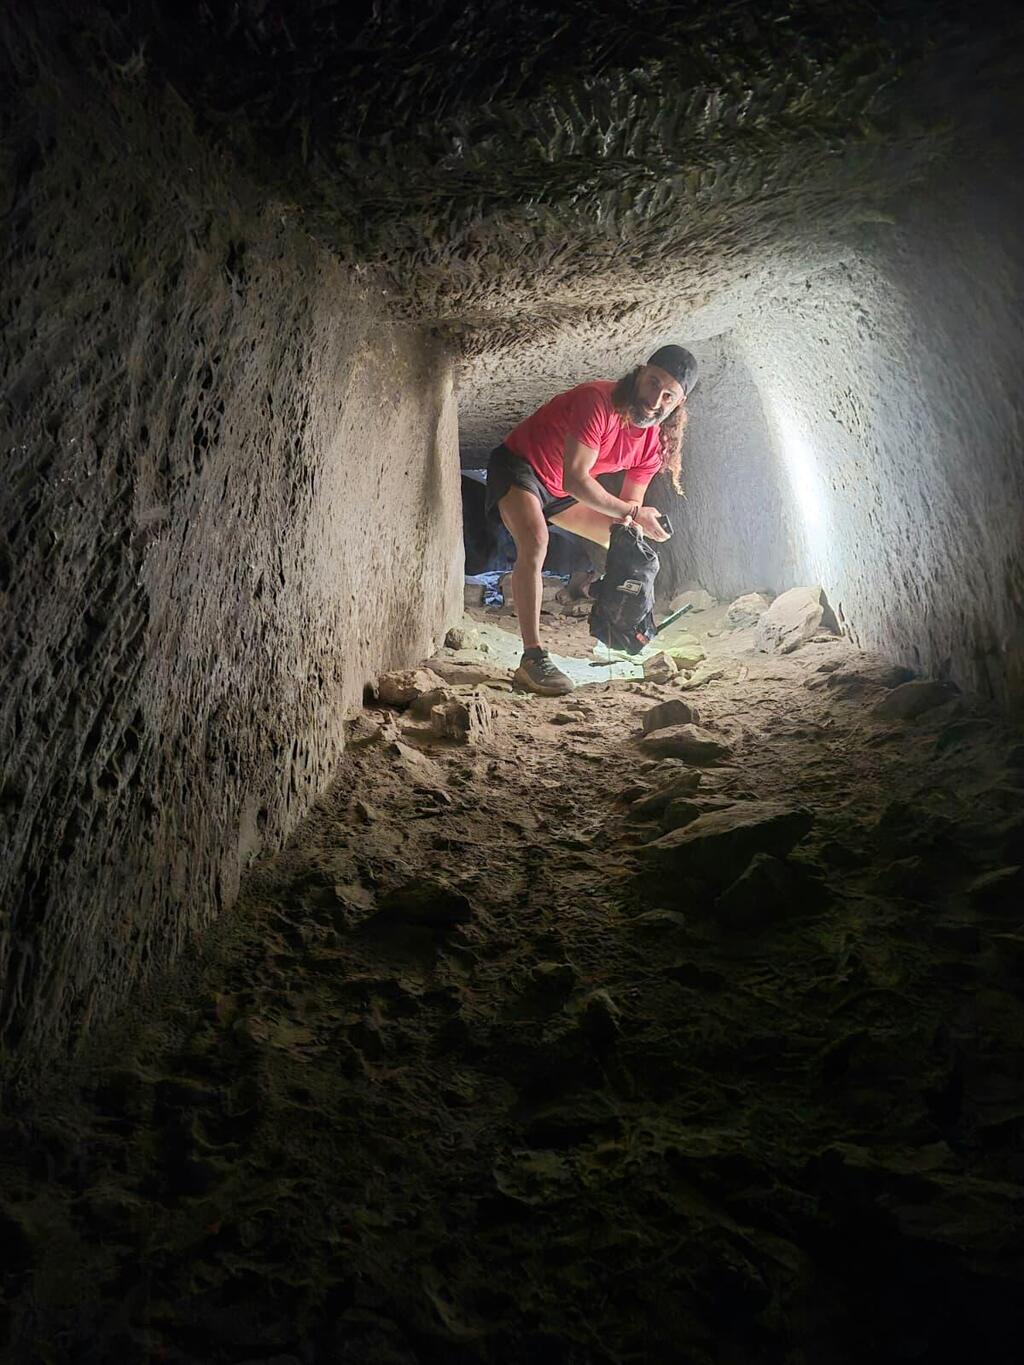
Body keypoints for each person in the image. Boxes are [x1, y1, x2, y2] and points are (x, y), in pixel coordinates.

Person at [485, 344, 699, 695]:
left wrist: (633, 539)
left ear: (678, 404)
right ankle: (533, 657)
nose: (654, 399)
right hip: (520, 466)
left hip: (559, 491)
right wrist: (633, 514)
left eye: (668, 395)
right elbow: (576, 479)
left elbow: (630, 510)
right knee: (536, 540)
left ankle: (611, 612)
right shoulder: (597, 401)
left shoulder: (652, 444)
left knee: (627, 549)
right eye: (652, 383)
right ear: (640, 373)